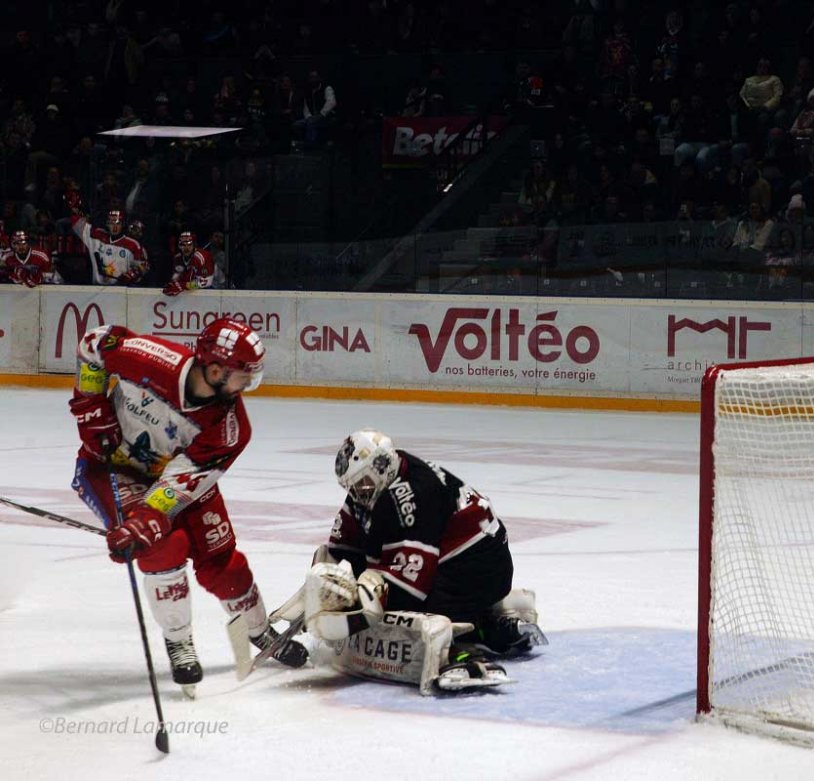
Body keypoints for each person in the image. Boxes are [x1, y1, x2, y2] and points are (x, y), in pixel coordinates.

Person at [69, 318, 308, 693]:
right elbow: (95, 343)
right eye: (243, 376)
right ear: (215, 370)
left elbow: (182, 481)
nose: (248, 385)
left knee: (224, 565)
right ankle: (179, 641)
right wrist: (91, 402)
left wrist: (146, 516)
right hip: (111, 468)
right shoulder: (150, 359)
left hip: (175, 482)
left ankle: (259, 631)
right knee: (164, 548)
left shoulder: (230, 428)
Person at [299, 429, 547, 692]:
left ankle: (472, 640)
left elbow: (409, 590)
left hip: (480, 566)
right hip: (450, 556)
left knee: (412, 608)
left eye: (363, 485)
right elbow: (342, 544)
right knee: (343, 565)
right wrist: (319, 595)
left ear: (382, 469)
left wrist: (359, 603)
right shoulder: (376, 480)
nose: (359, 493)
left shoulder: (414, 495)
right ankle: (488, 622)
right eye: (353, 487)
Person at [68, 198, 149, 286]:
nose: (114, 227)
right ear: (107, 223)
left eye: (117, 223)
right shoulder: (96, 235)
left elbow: (144, 266)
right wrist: (75, 209)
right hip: (97, 289)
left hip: (121, 290)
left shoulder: (133, 245)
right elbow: (78, 224)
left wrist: (132, 274)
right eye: (111, 223)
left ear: (123, 224)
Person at [163, 231, 215, 296]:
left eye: (189, 244)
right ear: (179, 246)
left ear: (194, 245)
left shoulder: (203, 257)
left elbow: (205, 283)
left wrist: (183, 285)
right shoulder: (178, 258)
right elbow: (176, 279)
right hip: (191, 292)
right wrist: (173, 285)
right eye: (183, 245)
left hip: (214, 292)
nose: (186, 248)